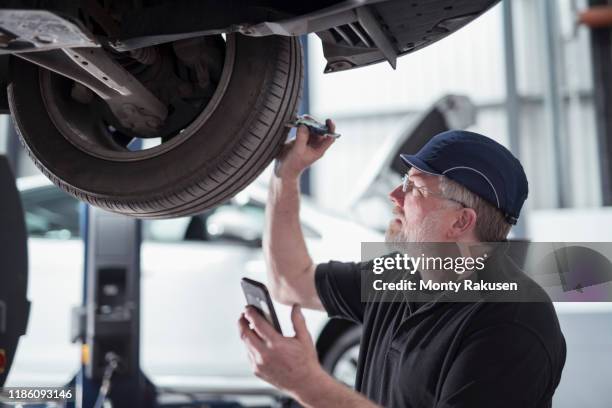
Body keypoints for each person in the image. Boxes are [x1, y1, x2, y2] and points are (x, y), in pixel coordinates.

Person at [238, 122, 566, 408]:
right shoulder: (400, 275)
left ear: (460, 220)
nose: (394, 196)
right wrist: (285, 174)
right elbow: (291, 281)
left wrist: (307, 385)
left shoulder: (512, 325)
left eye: (414, 188)